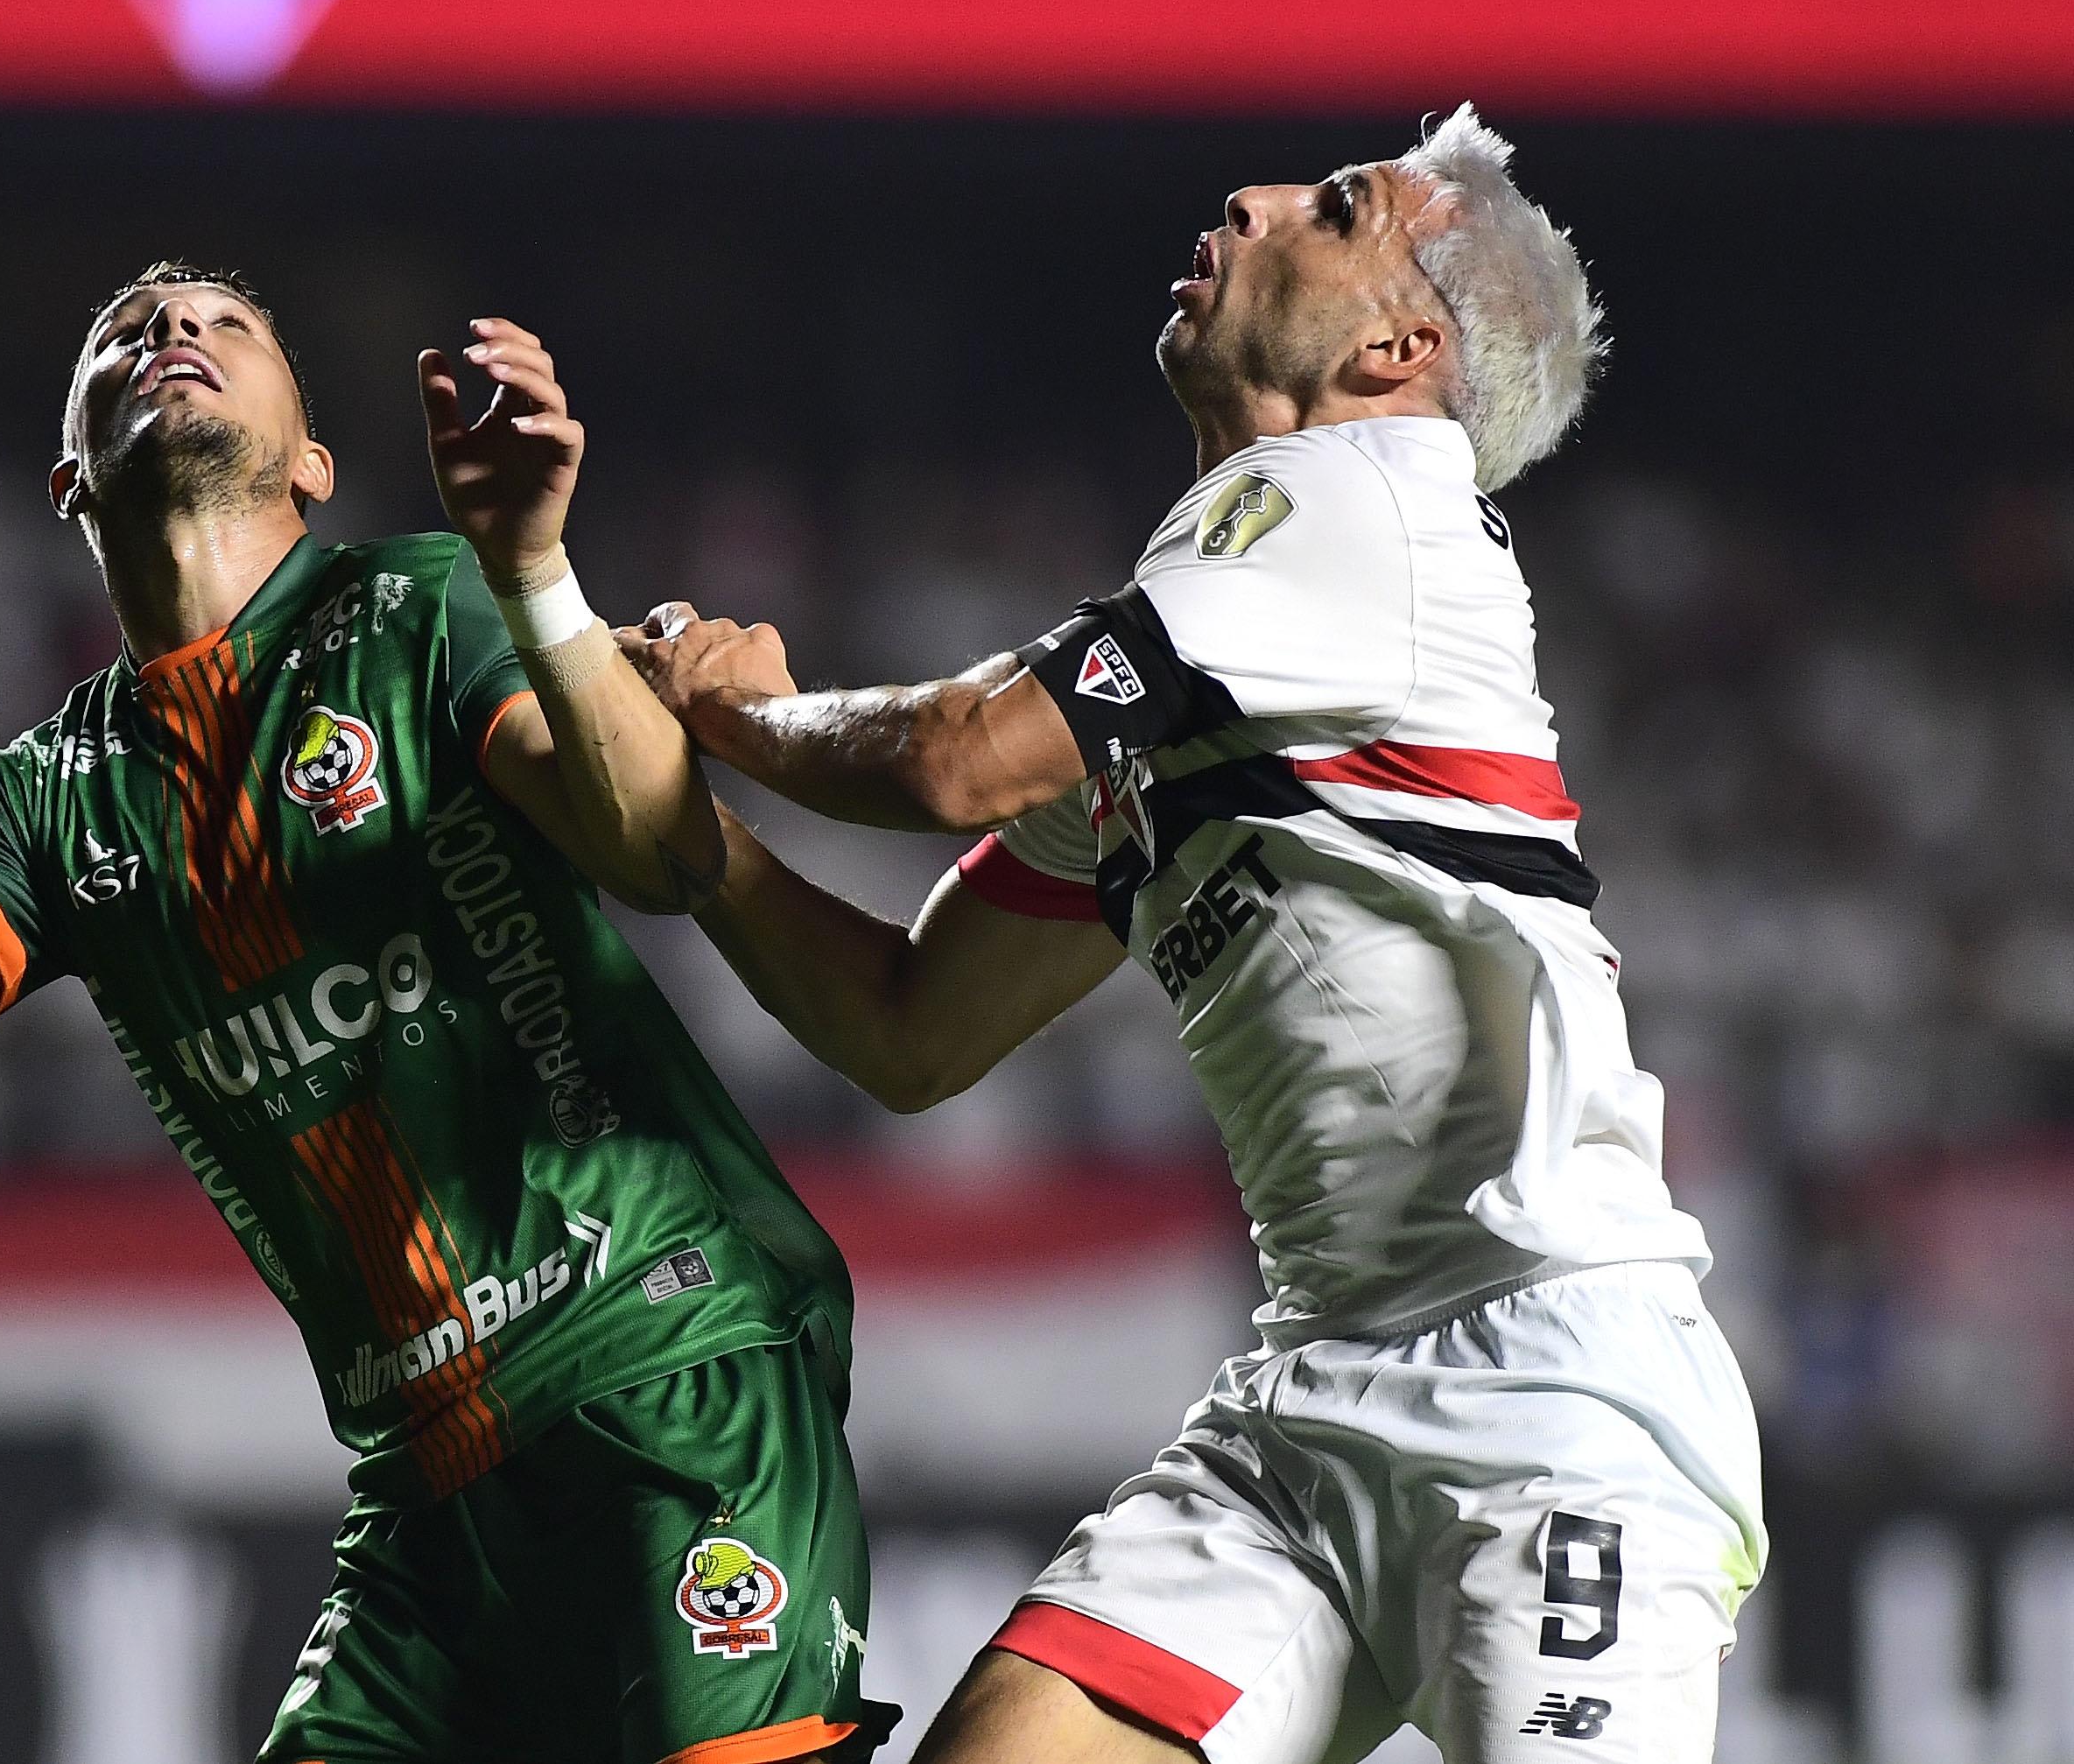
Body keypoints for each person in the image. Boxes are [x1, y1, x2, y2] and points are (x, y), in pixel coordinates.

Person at [0, 262, 896, 1764]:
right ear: (68, 478)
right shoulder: (45, 797)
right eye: (124, 331)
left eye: (224, 323)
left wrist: (535, 566)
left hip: (666, 1369)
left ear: (314, 460)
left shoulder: (423, 603)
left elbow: (660, 858)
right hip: (422, 1500)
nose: (170, 331)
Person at [622, 109, 1765, 1764]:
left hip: (1552, 1398)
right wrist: (697, 844)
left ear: (1399, 341)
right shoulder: (1230, 634)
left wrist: (742, 715)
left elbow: (949, 755)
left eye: (1337, 202)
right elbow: (911, 1024)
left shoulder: (1361, 499)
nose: (1253, 197)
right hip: (1303, 1410)